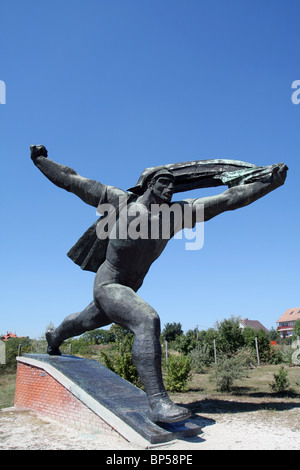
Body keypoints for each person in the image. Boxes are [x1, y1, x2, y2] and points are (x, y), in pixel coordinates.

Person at [30, 145, 287, 423]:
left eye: (174, 184)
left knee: (84, 321)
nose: (170, 189)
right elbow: (72, 180)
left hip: (128, 290)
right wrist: (41, 161)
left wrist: (269, 183)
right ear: (149, 184)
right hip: (108, 284)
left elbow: (229, 198)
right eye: (164, 182)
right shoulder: (119, 202)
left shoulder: (175, 215)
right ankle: (158, 403)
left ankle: (54, 336)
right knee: (147, 320)